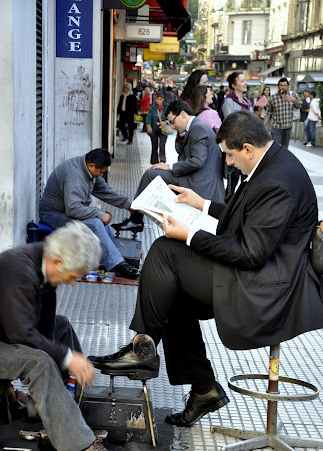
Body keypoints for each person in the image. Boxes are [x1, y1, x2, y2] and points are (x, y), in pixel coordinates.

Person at [89, 111, 323, 428]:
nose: (226, 162)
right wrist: (201, 204)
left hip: (268, 288)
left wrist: (189, 235)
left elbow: (250, 253)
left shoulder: (276, 182)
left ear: (248, 149)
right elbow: (250, 218)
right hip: (261, 273)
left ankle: (142, 349)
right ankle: (203, 389)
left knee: (165, 251)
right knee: (169, 291)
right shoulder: (275, 163)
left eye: (229, 154)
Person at [0, 221, 129, 451]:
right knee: (40, 361)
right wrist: (67, 357)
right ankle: (81, 447)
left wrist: (65, 357)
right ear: (58, 261)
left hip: (0, 336)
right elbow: (21, 333)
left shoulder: (43, 262)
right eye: (73, 275)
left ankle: (66, 410)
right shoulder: (17, 271)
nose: (73, 283)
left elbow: (46, 327)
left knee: (62, 327)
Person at [111, 100, 224, 233]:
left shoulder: (198, 128)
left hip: (201, 182)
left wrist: (170, 166)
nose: (172, 126)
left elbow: (197, 161)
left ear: (183, 114)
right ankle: (137, 218)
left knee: (151, 174)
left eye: (172, 121)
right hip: (196, 178)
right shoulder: (196, 127)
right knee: (153, 173)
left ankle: (136, 219)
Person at [39, 148, 139, 279]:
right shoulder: (74, 177)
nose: (102, 175)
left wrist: (128, 204)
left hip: (66, 211)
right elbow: (73, 209)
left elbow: (106, 191)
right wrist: (100, 215)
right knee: (96, 221)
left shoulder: (89, 170)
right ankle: (117, 264)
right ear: (91, 165)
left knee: (96, 215)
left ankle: (115, 255)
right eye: (101, 172)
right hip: (52, 215)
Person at [221, 71, 252, 202]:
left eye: (245, 80)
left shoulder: (246, 102)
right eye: (242, 81)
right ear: (234, 85)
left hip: (247, 147)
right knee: (231, 184)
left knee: (247, 182)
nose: (245, 83)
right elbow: (231, 124)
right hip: (234, 147)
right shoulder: (228, 102)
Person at [263, 77, 300, 148]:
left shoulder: (292, 96)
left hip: (288, 127)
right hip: (276, 127)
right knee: (276, 147)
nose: (283, 87)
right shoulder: (273, 98)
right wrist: (263, 127)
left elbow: (299, 106)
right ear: (278, 86)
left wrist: (294, 100)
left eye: (285, 85)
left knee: (285, 148)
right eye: (281, 85)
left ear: (287, 86)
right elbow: (268, 113)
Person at [145, 91, 169, 165]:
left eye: (161, 99)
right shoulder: (152, 108)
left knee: (162, 145)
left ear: (163, 99)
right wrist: (148, 126)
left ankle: (162, 160)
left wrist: (165, 122)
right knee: (154, 145)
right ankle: (154, 161)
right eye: (158, 99)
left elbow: (171, 118)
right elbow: (148, 117)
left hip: (163, 128)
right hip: (154, 128)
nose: (159, 101)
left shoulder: (167, 107)